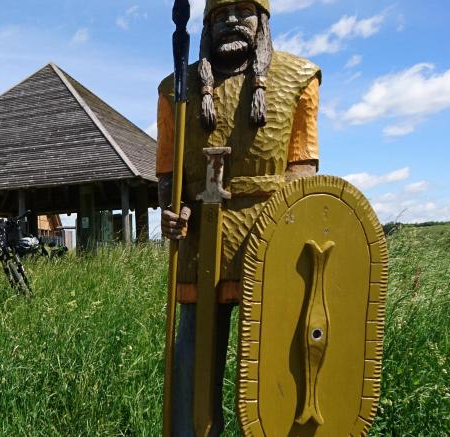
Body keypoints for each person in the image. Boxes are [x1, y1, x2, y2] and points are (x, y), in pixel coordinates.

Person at [156, 0, 321, 434]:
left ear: (262, 20)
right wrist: (173, 208)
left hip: (269, 243)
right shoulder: (175, 88)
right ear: (207, 25)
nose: (231, 21)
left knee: (273, 366)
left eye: (243, 11)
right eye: (220, 13)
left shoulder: (299, 78)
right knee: (193, 365)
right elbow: (169, 171)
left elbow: (302, 169)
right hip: (200, 242)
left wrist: (284, 223)